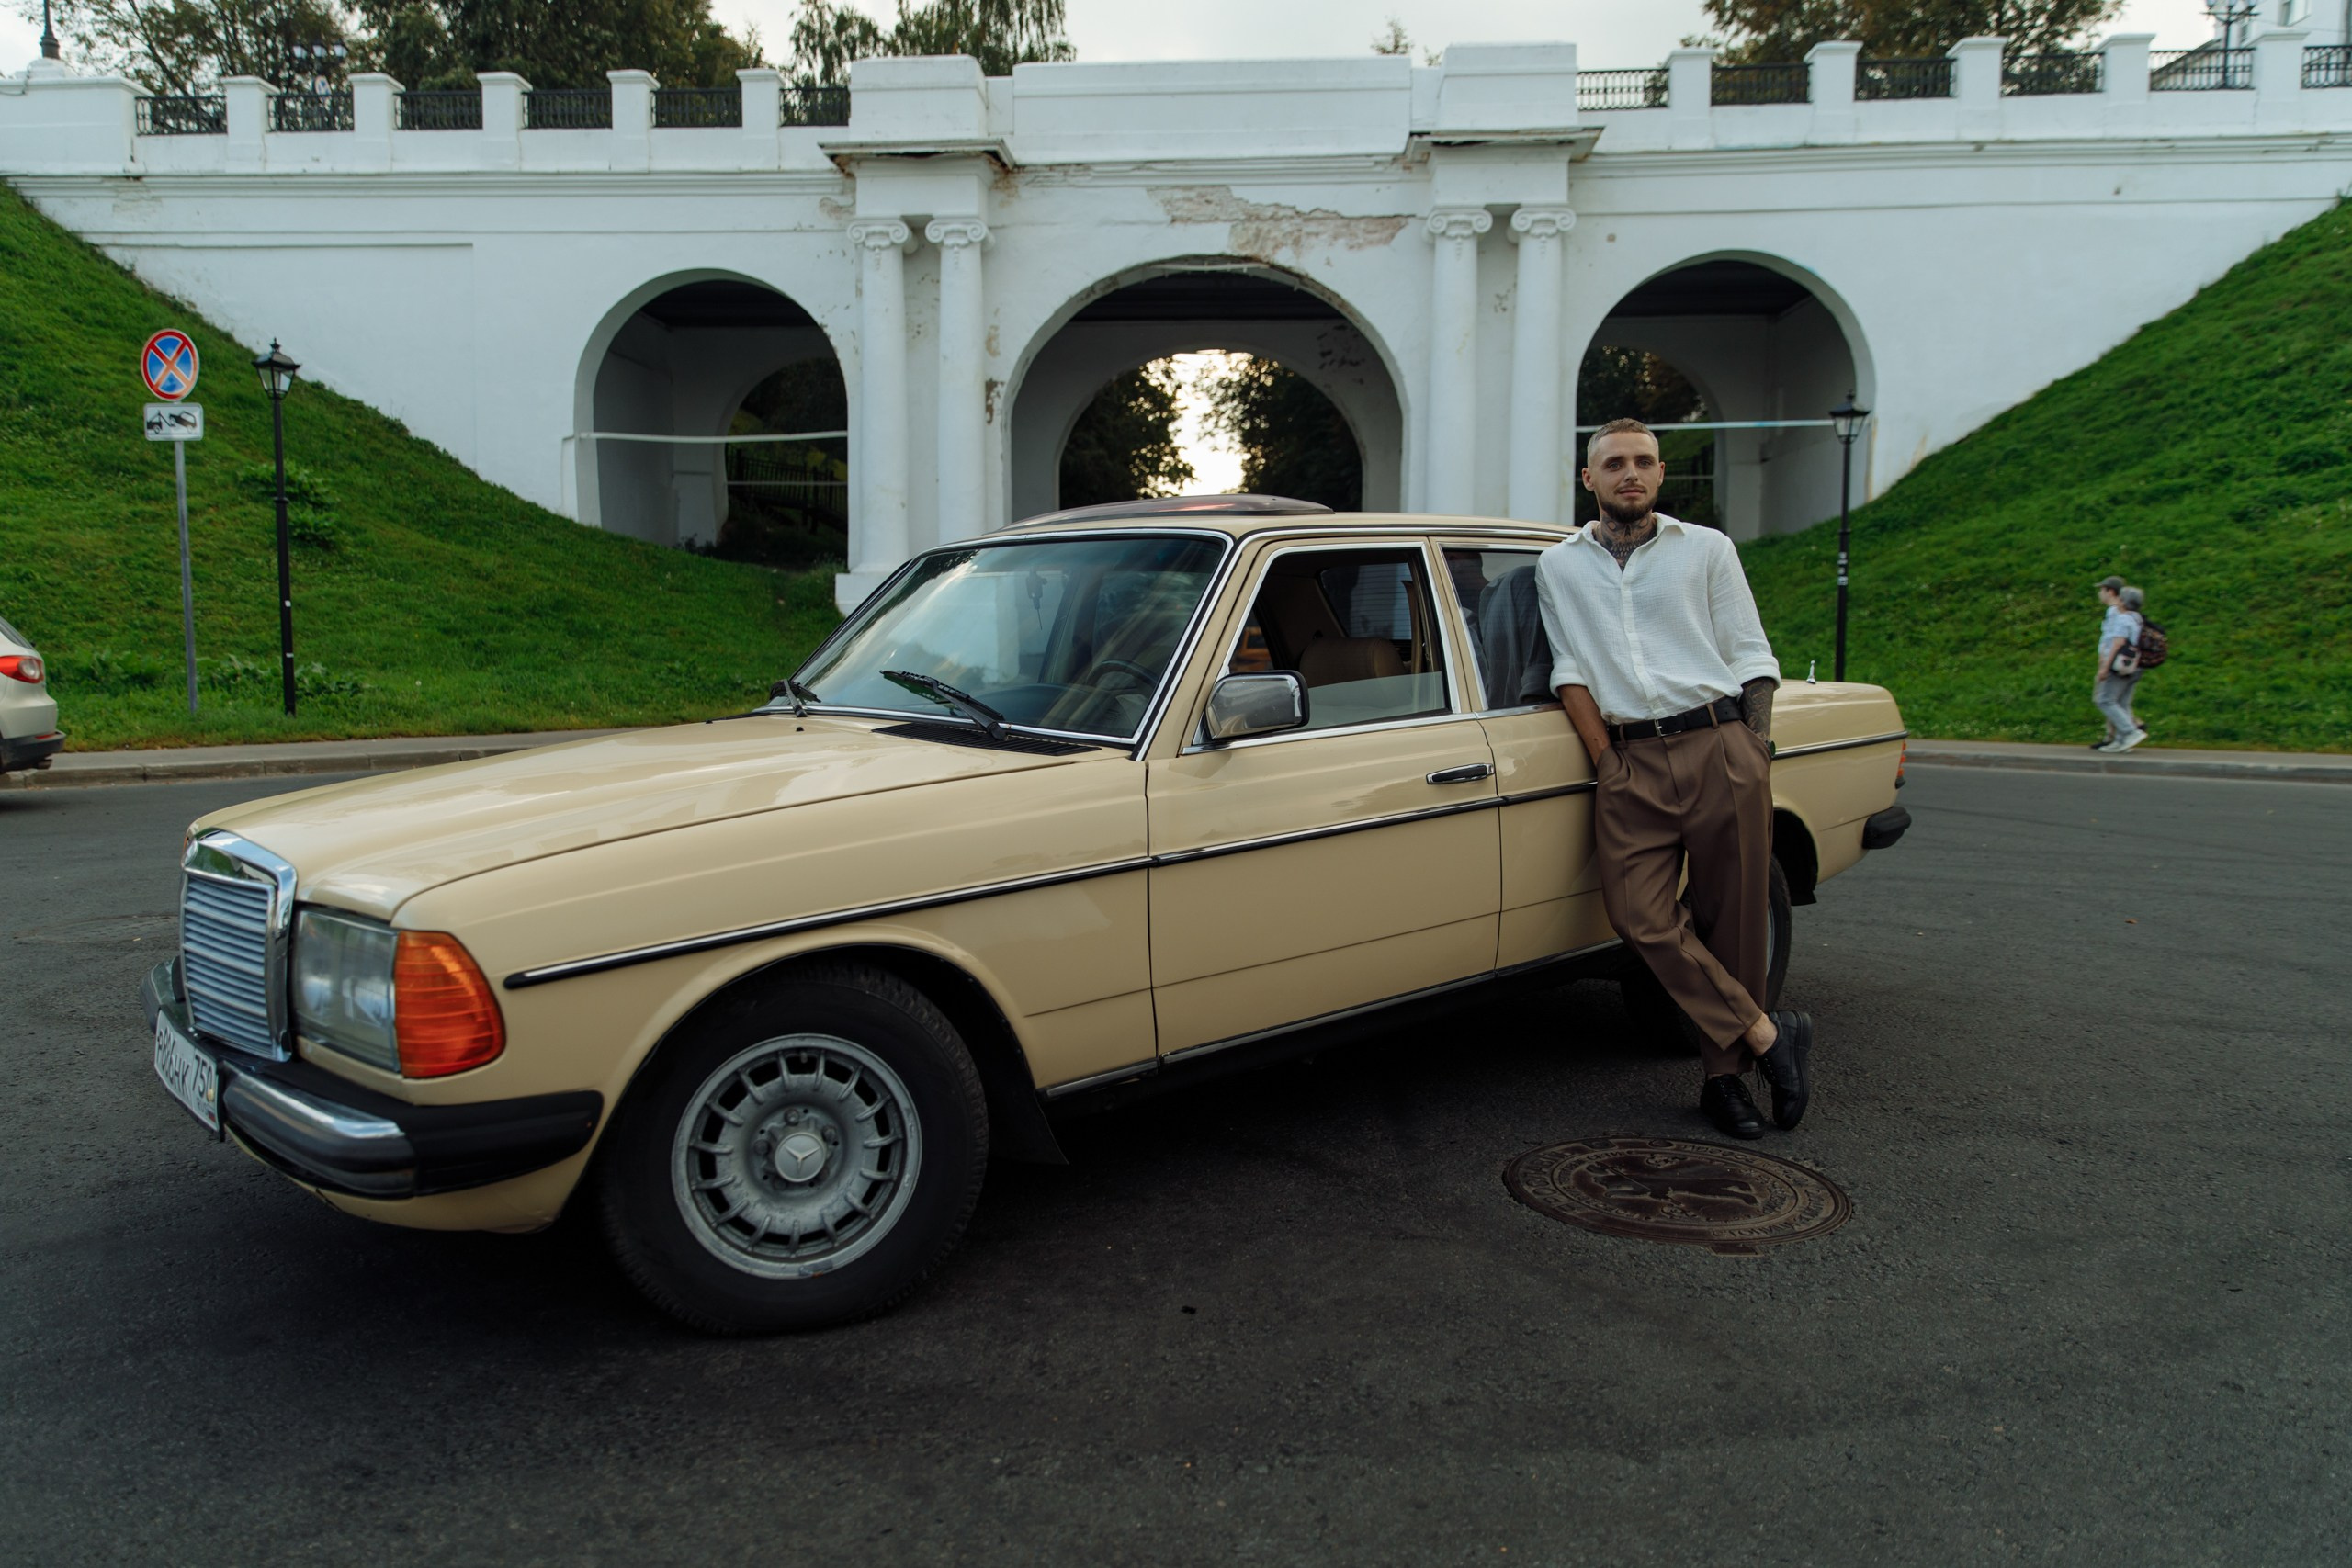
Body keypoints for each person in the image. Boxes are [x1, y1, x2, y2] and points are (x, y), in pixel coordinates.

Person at [1535, 417, 1813, 1141]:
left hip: (1720, 745)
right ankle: (1766, 1034)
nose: (1631, 473)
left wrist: (1754, 748)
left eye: (1644, 462)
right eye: (1614, 463)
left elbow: (1751, 653)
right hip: (1629, 761)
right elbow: (1570, 670)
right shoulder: (1558, 566)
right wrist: (1605, 761)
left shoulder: (1707, 550)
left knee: (1735, 922)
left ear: (1660, 475)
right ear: (1588, 479)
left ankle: (1725, 1082)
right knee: (1638, 916)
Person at [2092, 577, 2147, 753]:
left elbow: (2116, 644)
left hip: (2119, 665)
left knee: (2105, 700)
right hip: (2134, 665)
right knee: (2122, 703)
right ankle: (2121, 741)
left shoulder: (2122, 619)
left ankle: (2130, 732)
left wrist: (2104, 667)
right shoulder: (2137, 618)